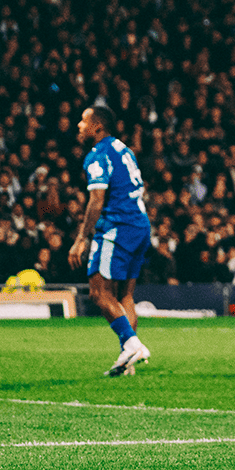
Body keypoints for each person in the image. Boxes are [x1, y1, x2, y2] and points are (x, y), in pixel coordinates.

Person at [67, 105, 154, 376]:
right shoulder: (124, 150)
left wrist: (82, 237)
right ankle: (127, 356)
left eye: (84, 121)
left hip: (117, 227)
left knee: (99, 292)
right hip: (140, 224)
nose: (79, 126)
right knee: (125, 294)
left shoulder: (98, 153)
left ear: (98, 127)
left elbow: (96, 199)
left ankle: (132, 345)